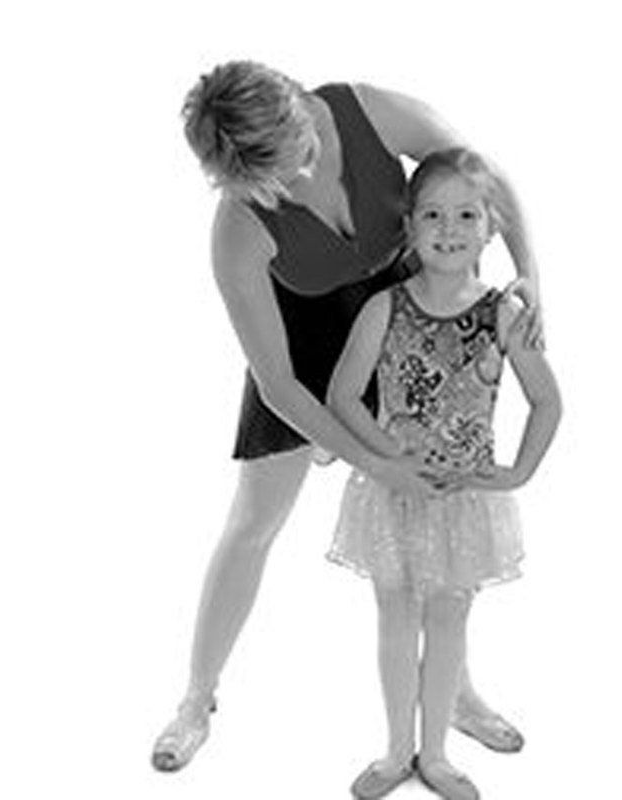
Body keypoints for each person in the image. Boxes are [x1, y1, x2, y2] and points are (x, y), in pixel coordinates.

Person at [151, 60, 542, 772]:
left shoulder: (367, 111)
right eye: (270, 184)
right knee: (255, 521)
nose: (295, 185)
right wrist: (373, 459)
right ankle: (194, 699)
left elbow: (481, 178)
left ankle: (455, 692)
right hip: (306, 345)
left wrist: (530, 278)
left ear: (300, 107)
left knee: (435, 513)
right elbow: (277, 383)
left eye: (297, 160)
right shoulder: (236, 230)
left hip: (403, 315)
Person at [326, 148, 562, 800]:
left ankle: (436, 755)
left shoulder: (502, 314)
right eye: (432, 213)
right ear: (409, 226)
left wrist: (515, 474)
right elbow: (342, 397)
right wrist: (386, 456)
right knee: (396, 620)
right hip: (395, 498)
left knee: (451, 624)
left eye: (465, 214)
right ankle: (396, 749)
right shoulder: (385, 308)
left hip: (464, 502)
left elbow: (548, 401)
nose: (448, 228)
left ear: (489, 228)